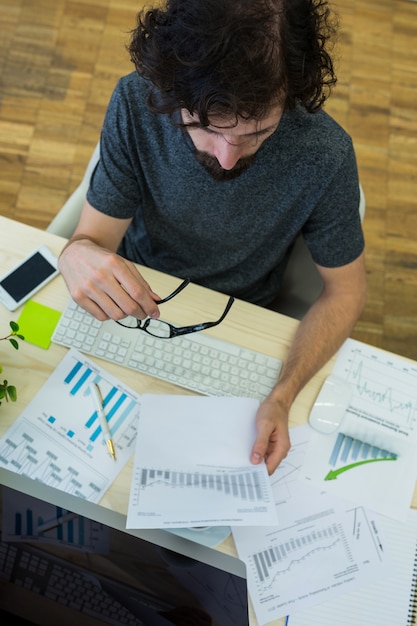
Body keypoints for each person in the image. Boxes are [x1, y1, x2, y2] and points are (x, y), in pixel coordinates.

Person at [58, 0, 367, 475]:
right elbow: (92, 240)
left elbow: (345, 291)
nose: (226, 160)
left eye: (256, 133)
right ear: (171, 87)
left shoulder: (325, 154)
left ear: (293, 91)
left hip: (242, 322)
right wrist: (76, 253)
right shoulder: (135, 103)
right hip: (137, 303)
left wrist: (283, 396)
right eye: (204, 127)